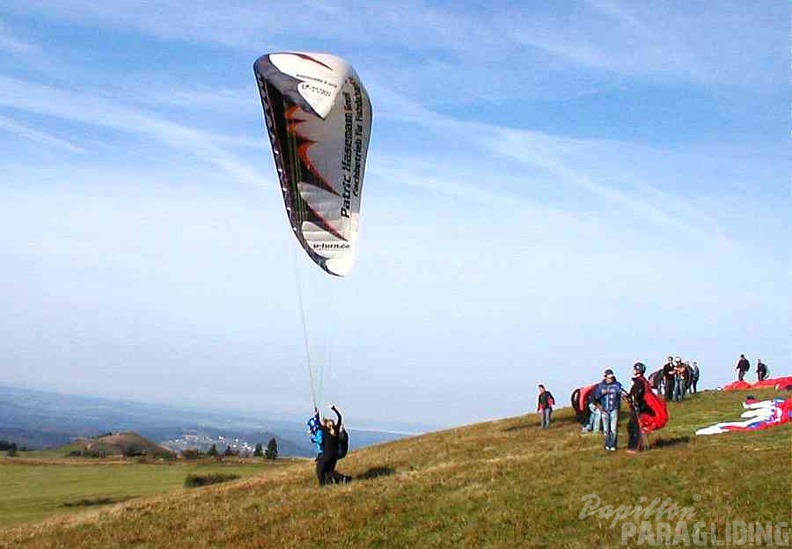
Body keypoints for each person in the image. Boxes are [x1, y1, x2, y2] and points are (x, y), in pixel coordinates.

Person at [307, 404, 350, 486]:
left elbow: (318, 424)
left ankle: (322, 486)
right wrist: (334, 409)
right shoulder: (336, 431)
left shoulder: (325, 430)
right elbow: (340, 417)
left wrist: (317, 415)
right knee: (328, 472)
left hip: (327, 455)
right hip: (334, 456)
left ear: (327, 425)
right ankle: (343, 479)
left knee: (320, 471)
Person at [591, 369, 623, 451]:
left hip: (614, 409)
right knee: (606, 429)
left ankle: (613, 445)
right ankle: (607, 445)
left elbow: (621, 394)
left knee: (613, 428)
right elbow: (595, 397)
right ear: (605, 377)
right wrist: (602, 393)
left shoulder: (617, 385)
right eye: (609, 377)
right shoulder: (600, 386)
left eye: (611, 377)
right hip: (604, 410)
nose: (610, 379)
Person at [625, 362, 654, 454]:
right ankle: (633, 446)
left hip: (637, 408)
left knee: (634, 428)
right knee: (631, 427)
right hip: (636, 407)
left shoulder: (639, 382)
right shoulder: (641, 381)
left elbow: (637, 395)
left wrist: (634, 401)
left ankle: (635, 447)